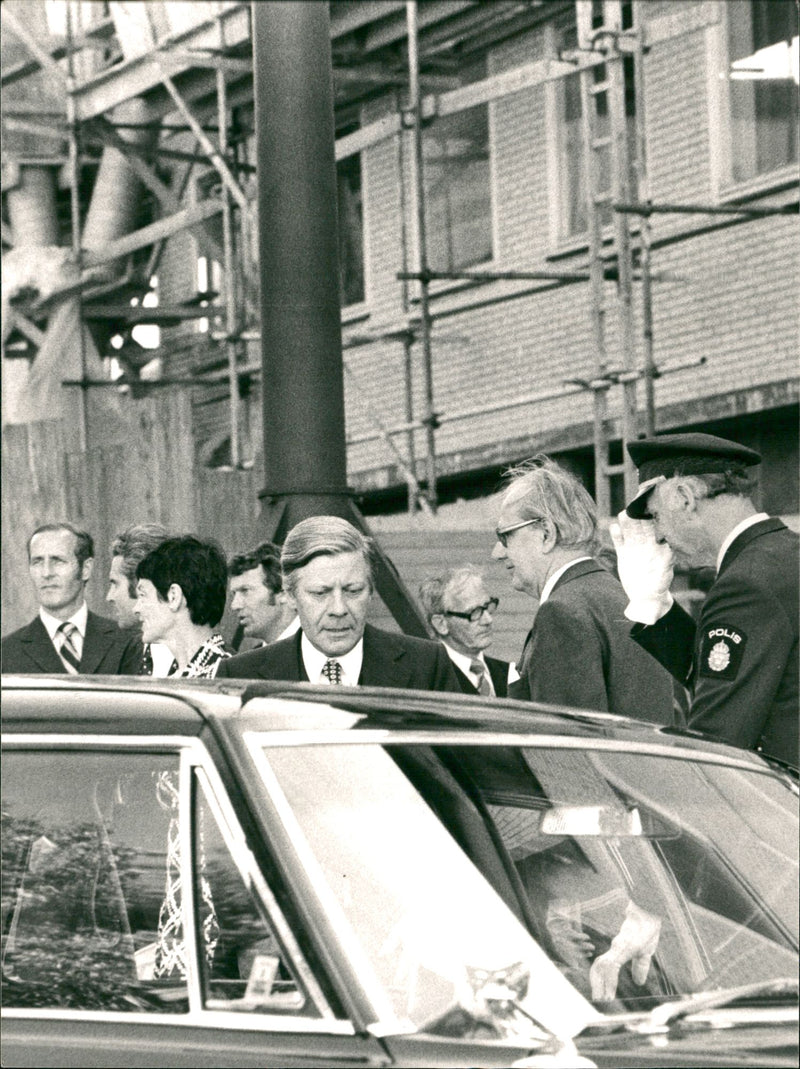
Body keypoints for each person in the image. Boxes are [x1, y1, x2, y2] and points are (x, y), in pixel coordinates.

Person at [611, 431, 799, 767]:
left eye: (655, 516)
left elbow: (716, 745)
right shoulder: (784, 557)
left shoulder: (745, 584)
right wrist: (652, 604)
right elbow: (735, 680)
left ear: (684, 497)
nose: (658, 535)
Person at [491, 456, 674, 723]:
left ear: (546, 533)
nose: (497, 552)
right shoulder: (621, 595)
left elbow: (568, 748)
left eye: (504, 535)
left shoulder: (561, 613)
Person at [217, 515, 460, 691]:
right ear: (290, 596)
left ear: (371, 590)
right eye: (320, 593)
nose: (339, 609)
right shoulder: (239, 677)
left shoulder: (427, 666)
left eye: (353, 590)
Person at [1, 522, 142, 675]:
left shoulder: (129, 641)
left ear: (86, 569)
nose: (46, 573)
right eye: (37, 562)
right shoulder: (7, 652)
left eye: (58, 561)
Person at [134, 535, 232, 678]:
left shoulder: (227, 677)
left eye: (143, 595)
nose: (136, 608)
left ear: (174, 597)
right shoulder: (177, 677)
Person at [418, 565, 515, 696]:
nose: (488, 620)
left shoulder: (511, 675)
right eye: (474, 612)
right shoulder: (425, 681)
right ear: (441, 624)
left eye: (487, 607)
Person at [106, 523, 175, 676]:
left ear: (141, 585)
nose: (109, 597)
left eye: (115, 584)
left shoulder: (218, 663)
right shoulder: (126, 653)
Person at [228, 541, 299, 647]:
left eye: (245, 591)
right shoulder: (250, 661)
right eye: (234, 594)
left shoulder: (321, 650)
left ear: (284, 593)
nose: (234, 605)